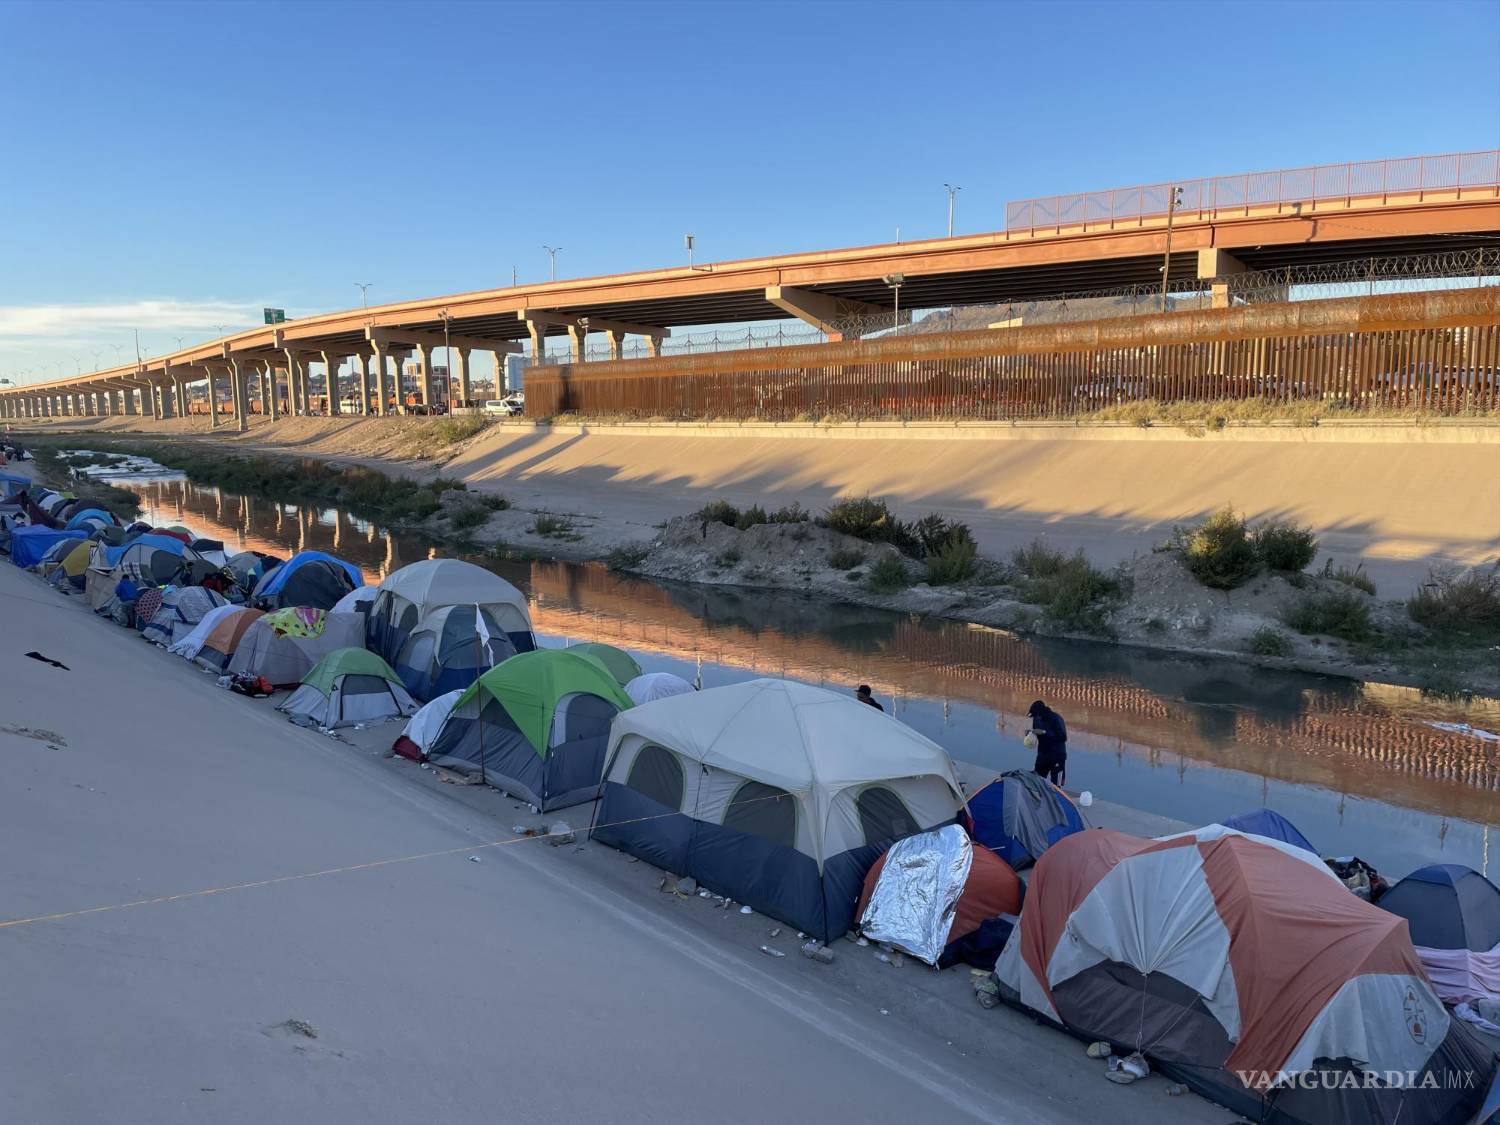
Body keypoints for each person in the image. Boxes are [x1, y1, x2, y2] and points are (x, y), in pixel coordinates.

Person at [1027, 699, 1067, 786]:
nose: (1036, 718)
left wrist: (1044, 732)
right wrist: (1030, 734)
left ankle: (1056, 797)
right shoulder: (1036, 719)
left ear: (1041, 713)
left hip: (1057, 756)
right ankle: (1038, 798)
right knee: (1037, 780)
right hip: (1043, 754)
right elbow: (1036, 732)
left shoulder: (1056, 718)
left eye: (1037, 715)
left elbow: (1063, 737)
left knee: (1056, 785)